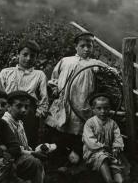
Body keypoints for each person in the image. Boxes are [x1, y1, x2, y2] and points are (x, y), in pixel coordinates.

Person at [44, 32, 109, 165]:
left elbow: (110, 72)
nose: (86, 49)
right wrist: (55, 88)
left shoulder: (94, 63)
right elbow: (54, 78)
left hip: (81, 102)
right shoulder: (66, 61)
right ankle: (57, 157)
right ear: (76, 47)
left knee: (78, 129)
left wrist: (110, 71)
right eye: (82, 46)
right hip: (63, 101)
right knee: (59, 127)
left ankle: (75, 159)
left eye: (89, 46)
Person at [0, 40, 48, 148]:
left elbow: (44, 98)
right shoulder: (6, 72)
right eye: (25, 55)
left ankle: (28, 155)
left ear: (36, 58)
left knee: (27, 139)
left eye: (32, 56)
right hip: (8, 109)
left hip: (28, 111)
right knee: (5, 137)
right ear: (18, 54)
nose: (28, 58)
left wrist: (40, 111)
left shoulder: (39, 75)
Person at [2, 90, 46, 183]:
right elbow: (13, 149)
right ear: (8, 106)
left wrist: (35, 150)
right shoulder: (5, 122)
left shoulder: (18, 121)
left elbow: (23, 146)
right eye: (19, 106)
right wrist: (32, 153)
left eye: (26, 107)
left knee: (38, 159)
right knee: (34, 162)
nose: (23, 110)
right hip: (8, 160)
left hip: (18, 156)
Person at [82, 94, 128, 183]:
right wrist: (102, 147)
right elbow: (90, 141)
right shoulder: (90, 123)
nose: (103, 111)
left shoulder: (112, 123)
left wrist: (116, 147)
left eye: (106, 108)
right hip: (93, 153)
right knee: (102, 157)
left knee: (116, 162)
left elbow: (117, 137)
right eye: (99, 108)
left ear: (109, 108)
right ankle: (109, 182)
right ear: (93, 109)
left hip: (110, 151)